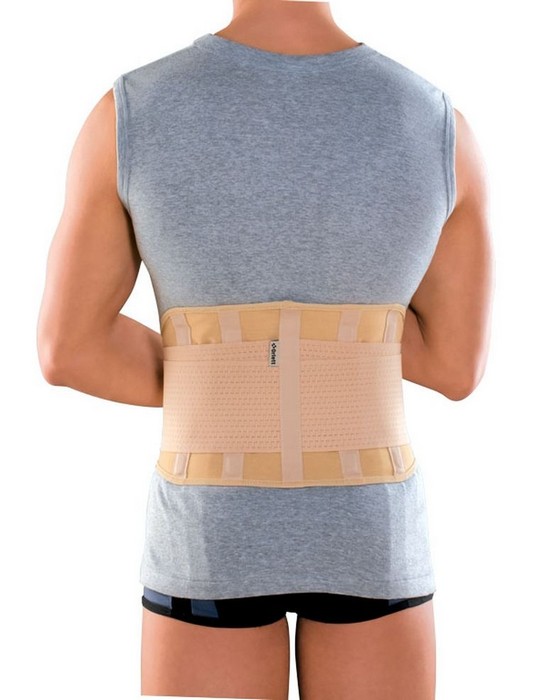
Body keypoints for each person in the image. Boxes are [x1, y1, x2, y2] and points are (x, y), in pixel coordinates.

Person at [36, 0, 494, 698]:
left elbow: (68, 349)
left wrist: (218, 377)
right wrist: (346, 341)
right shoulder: (436, 125)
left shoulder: (131, 114)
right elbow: (455, 366)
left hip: (208, 533)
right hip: (371, 532)